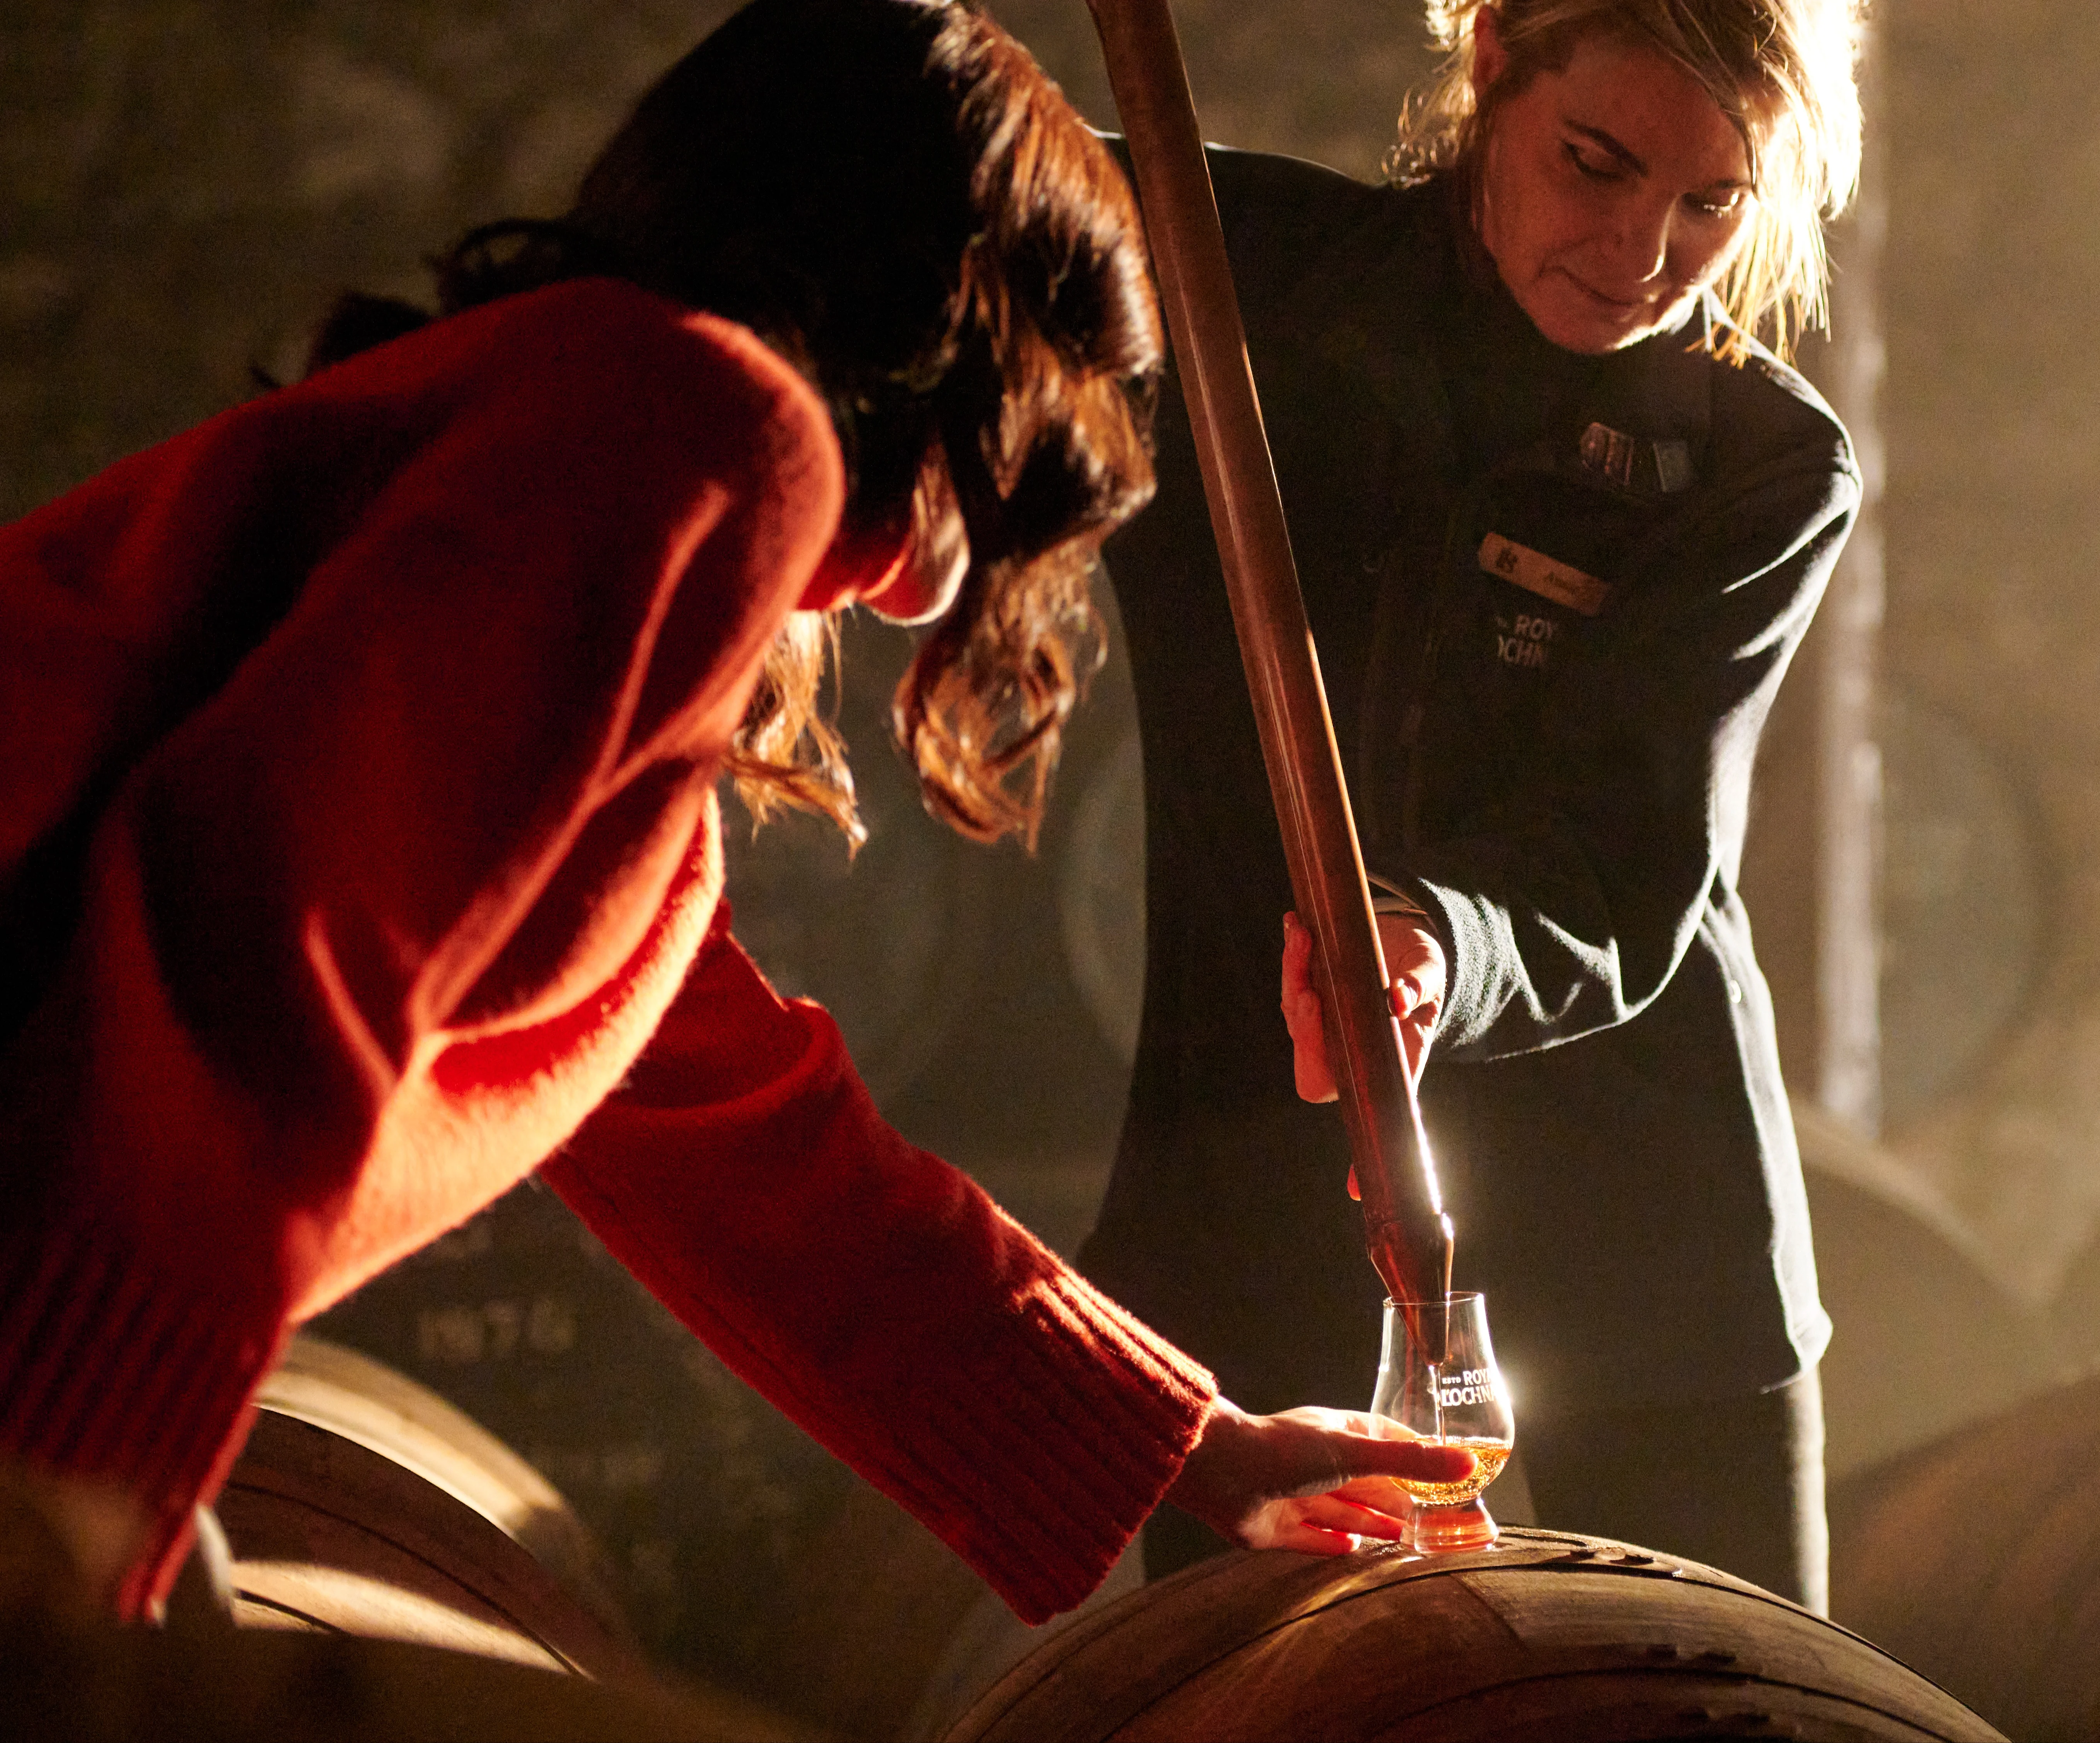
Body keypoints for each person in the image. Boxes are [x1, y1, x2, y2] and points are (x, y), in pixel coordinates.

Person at [0, 0, 1473, 1627]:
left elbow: (751, 1150)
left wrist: (1194, 1439)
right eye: (1073, 375)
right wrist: (61, 1499)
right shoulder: (692, 425)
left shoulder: (606, 455)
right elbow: (258, 947)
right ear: (961, 318)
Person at [1080, 0, 1862, 1609]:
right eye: (1596, 165)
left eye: (1712, 204)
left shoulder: (1758, 458)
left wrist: (1436, 940)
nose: (1643, 250)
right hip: (1255, 1201)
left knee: (1730, 1718)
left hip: (1649, 1232)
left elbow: (1633, 865)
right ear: (1494, 53)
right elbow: (888, 144)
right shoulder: (1225, 260)